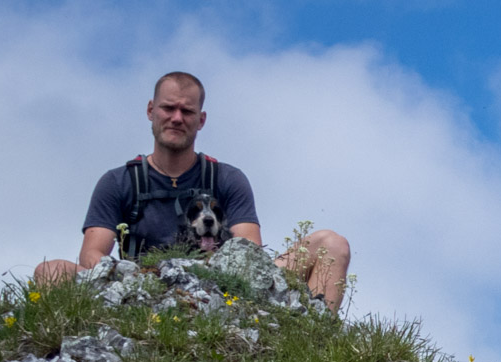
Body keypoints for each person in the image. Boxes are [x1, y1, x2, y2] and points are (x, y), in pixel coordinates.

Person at [33, 71, 351, 310]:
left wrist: (203, 272)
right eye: (168, 108)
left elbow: (249, 250)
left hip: (225, 287)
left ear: (201, 120)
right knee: (50, 272)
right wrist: (137, 276)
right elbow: (91, 254)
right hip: (138, 286)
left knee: (332, 245)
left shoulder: (227, 178)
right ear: (150, 111)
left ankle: (318, 339)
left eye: (186, 112)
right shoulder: (118, 182)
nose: (176, 118)